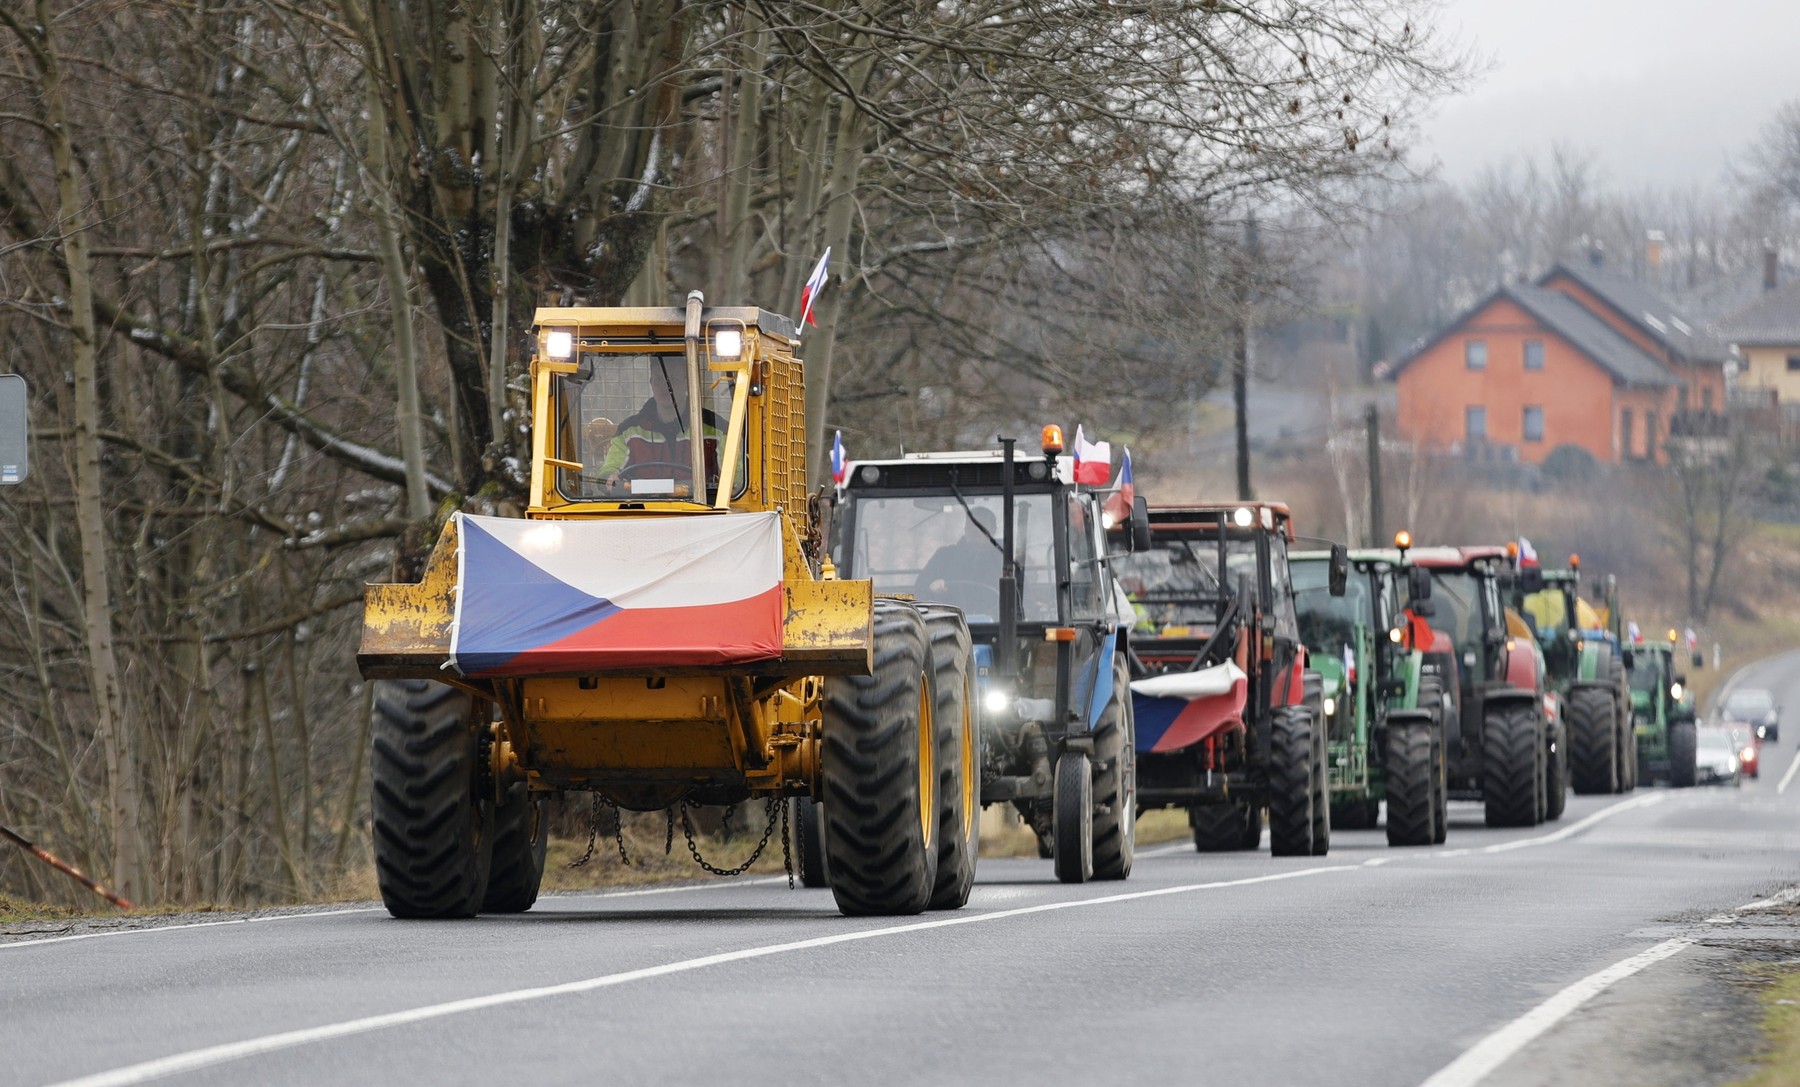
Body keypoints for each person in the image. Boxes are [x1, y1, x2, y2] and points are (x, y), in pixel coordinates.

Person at [598, 361, 725, 486]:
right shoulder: (629, 432)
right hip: (642, 506)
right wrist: (610, 479)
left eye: (673, 380)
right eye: (659, 380)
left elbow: (736, 476)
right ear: (651, 383)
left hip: (701, 505)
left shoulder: (717, 429)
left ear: (687, 383)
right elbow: (608, 472)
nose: (666, 387)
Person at [916, 508, 1002, 598]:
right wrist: (932, 585)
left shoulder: (1003, 559)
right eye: (971, 525)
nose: (975, 529)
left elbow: (1016, 594)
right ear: (965, 528)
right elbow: (921, 587)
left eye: (982, 525)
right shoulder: (944, 556)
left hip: (998, 611)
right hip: (952, 611)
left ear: (993, 530)